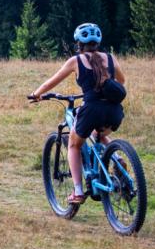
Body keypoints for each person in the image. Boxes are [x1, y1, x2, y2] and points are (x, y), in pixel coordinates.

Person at [28, 23, 126, 205]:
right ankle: (118, 159)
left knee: (74, 145)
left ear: (79, 44)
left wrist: (36, 94)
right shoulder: (111, 58)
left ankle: (78, 192)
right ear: (98, 42)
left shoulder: (76, 61)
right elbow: (121, 81)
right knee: (97, 134)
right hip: (114, 111)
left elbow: (51, 82)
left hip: (91, 110)